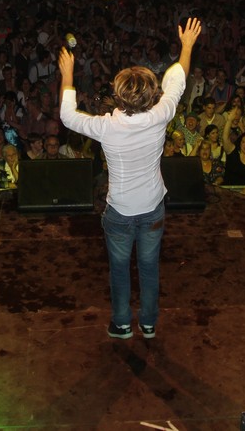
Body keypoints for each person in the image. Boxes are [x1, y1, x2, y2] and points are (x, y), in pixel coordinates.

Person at [58, 17, 201, 340]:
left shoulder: (107, 126)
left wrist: (68, 74)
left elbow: (67, 117)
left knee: (120, 270)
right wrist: (187, 46)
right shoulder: (161, 114)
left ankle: (122, 324)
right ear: (151, 94)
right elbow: (178, 79)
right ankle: (148, 323)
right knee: (149, 267)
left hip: (120, 212)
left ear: (119, 96)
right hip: (152, 210)